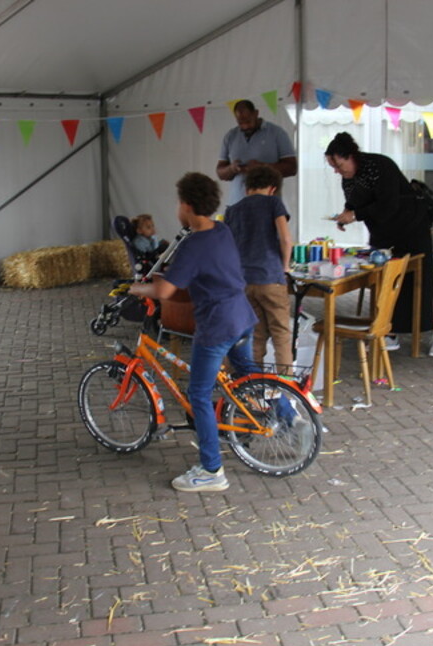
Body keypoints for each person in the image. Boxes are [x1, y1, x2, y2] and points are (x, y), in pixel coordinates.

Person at [129, 173, 306, 492]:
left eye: (178, 202)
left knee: (198, 394)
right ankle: (288, 417)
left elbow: (165, 291)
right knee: (247, 371)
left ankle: (211, 471)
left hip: (217, 326)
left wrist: (135, 288)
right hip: (242, 317)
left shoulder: (192, 245)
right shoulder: (221, 230)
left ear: (186, 205)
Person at [324, 132, 433, 358]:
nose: (337, 171)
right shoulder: (348, 177)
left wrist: (355, 215)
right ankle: (389, 330)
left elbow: (388, 204)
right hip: (382, 233)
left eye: (339, 165)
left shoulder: (380, 166)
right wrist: (345, 215)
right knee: (387, 279)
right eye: (333, 167)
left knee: (424, 278)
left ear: (351, 156)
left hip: (411, 226)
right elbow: (353, 202)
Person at [224, 165, 294, 369]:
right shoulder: (274, 203)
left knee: (255, 334)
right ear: (273, 188)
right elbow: (285, 239)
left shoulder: (232, 210)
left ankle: (251, 382)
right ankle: (285, 383)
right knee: (281, 333)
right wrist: (285, 267)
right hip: (271, 277)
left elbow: (227, 247)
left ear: (247, 188)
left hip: (243, 281)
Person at [216, 100, 297, 206]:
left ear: (256, 113)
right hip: (236, 205)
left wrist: (262, 167)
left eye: (248, 121)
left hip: (268, 206)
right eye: (241, 123)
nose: (245, 126)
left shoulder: (277, 133)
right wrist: (231, 169)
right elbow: (220, 172)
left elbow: (292, 168)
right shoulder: (230, 136)